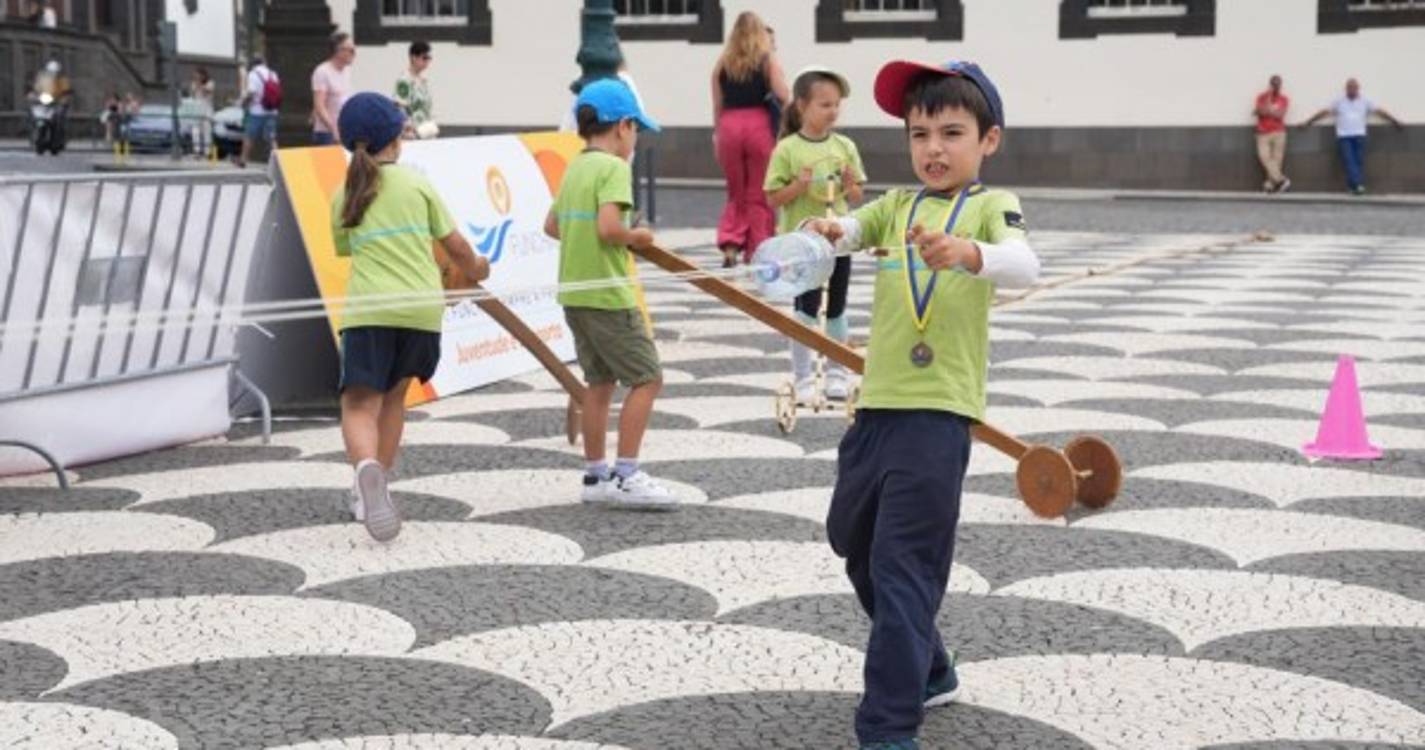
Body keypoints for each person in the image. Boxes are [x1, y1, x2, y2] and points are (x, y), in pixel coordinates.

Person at [803, 60, 1040, 750]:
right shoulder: (897, 207)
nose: (932, 149)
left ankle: (887, 727)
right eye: (918, 134)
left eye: (950, 132)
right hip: (874, 407)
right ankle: (930, 666)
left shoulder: (992, 207)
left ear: (987, 140)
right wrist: (826, 231)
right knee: (852, 542)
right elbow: (848, 231)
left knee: (902, 567)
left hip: (937, 417)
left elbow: (1025, 266)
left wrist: (968, 253)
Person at [331, 92, 488, 542]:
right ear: (396, 139)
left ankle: (365, 479)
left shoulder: (344, 193)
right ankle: (381, 479)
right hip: (421, 311)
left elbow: (344, 249)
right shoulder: (416, 184)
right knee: (395, 399)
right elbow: (455, 245)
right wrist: (475, 269)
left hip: (369, 310)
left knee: (359, 404)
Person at [542, 78, 679, 511]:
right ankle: (627, 473)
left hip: (576, 294)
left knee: (598, 383)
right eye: (636, 129)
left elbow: (551, 226)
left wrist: (585, 238)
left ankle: (595, 474)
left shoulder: (576, 167)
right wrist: (636, 235)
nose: (635, 139)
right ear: (622, 126)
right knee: (648, 377)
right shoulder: (613, 169)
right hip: (609, 295)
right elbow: (608, 229)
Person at [764, 65, 866, 404]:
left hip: (838, 242)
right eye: (825, 104)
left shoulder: (845, 146)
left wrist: (851, 185)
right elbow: (773, 198)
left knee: (837, 308)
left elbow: (856, 198)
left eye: (836, 104)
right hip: (801, 246)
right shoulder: (788, 149)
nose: (833, 111)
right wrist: (799, 186)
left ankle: (837, 373)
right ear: (802, 106)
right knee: (805, 309)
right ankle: (804, 377)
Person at [711, 11, 789, 268]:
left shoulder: (723, 64)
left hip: (729, 126)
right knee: (759, 191)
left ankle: (731, 244)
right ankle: (759, 247)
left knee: (736, 192)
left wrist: (717, 134)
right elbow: (783, 94)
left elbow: (717, 104)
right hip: (758, 125)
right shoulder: (767, 61)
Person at [1301, 78, 1406, 195]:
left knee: (1358, 162)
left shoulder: (1365, 101)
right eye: (1349, 87)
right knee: (1349, 161)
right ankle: (1358, 185)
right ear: (1346, 89)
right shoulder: (1339, 101)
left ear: (1358, 89)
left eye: (1354, 88)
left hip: (1360, 135)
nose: (1352, 90)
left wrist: (1395, 121)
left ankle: (1353, 187)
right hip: (1344, 136)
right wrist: (1308, 122)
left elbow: (1380, 112)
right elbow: (1324, 112)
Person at [312, 32, 356, 146]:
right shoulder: (322, 72)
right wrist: (334, 129)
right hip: (326, 134)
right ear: (338, 50)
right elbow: (319, 105)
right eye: (351, 50)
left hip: (344, 131)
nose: (354, 54)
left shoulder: (346, 71)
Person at [237, 56, 279, 169]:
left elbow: (251, 92)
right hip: (272, 110)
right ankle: (278, 162)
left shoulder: (253, 74)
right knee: (271, 138)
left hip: (257, 111)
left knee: (249, 136)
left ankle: (243, 160)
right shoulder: (272, 74)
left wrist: (244, 103)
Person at [1253, 75, 1290, 194]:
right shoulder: (1261, 97)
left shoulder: (1284, 99)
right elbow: (1258, 111)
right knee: (1264, 157)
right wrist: (1268, 101)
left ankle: (1269, 186)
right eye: (1274, 84)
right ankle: (1282, 180)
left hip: (1279, 132)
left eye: (1278, 84)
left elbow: (1280, 115)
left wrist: (1266, 111)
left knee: (1276, 160)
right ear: (1270, 85)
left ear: (1280, 85)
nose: (1276, 86)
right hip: (1263, 133)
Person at [395, 40, 437, 139]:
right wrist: (409, 129)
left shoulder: (423, 81)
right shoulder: (404, 81)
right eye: (424, 58)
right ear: (413, 57)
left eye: (429, 58)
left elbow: (426, 109)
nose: (427, 61)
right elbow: (399, 108)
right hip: (413, 135)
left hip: (427, 133)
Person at [189, 67, 215, 157]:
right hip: (197, 108)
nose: (197, 77)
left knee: (207, 130)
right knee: (195, 130)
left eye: (199, 75)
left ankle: (207, 152)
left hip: (207, 108)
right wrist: (195, 86)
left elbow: (206, 92)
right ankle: (197, 150)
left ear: (203, 75)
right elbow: (193, 95)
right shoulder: (193, 84)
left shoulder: (210, 83)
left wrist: (199, 84)